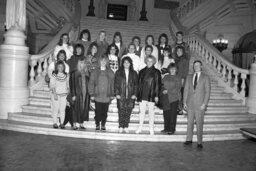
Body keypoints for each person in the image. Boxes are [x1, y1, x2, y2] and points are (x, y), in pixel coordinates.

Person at [183, 60, 211, 149]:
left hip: (200, 105)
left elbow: (207, 92)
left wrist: (205, 104)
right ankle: (189, 139)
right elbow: (186, 90)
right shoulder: (189, 77)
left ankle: (199, 142)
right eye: (195, 65)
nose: (196, 67)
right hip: (190, 104)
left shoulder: (205, 77)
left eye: (198, 65)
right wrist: (184, 102)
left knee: (199, 124)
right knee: (189, 123)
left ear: (201, 66)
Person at [136, 55, 161, 135]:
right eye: (148, 61)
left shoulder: (157, 72)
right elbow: (138, 84)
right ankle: (140, 127)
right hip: (142, 94)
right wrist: (137, 94)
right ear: (146, 61)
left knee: (151, 112)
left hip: (151, 95)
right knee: (141, 112)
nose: (149, 62)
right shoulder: (142, 71)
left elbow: (158, 84)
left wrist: (157, 95)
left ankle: (151, 128)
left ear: (153, 62)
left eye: (151, 61)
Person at [89, 55, 115, 131]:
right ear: (99, 61)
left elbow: (113, 84)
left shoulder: (110, 72)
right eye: (101, 60)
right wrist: (92, 94)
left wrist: (112, 94)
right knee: (98, 112)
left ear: (107, 62)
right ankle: (97, 124)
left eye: (105, 61)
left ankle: (103, 124)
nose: (103, 62)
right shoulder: (95, 71)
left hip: (106, 96)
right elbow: (91, 83)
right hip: (97, 95)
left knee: (104, 112)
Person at [115, 57, 138, 133]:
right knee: (121, 111)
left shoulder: (134, 73)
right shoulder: (118, 72)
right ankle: (121, 126)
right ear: (122, 63)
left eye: (128, 62)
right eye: (125, 62)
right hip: (121, 94)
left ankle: (126, 126)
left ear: (130, 63)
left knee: (128, 111)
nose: (126, 64)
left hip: (131, 95)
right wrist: (117, 93)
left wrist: (135, 94)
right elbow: (116, 84)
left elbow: (136, 85)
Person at [69, 59, 91, 130]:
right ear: (79, 64)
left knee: (83, 108)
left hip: (85, 93)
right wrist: (73, 94)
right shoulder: (74, 73)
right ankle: (74, 124)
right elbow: (71, 84)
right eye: (81, 63)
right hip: (77, 93)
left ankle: (81, 123)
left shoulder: (87, 73)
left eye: (84, 63)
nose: (83, 65)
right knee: (75, 109)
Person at [161, 63, 181, 135]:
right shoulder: (165, 76)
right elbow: (161, 85)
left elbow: (178, 88)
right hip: (165, 98)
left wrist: (168, 91)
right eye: (171, 68)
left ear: (176, 70)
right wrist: (162, 90)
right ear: (169, 69)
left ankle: (172, 129)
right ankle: (166, 128)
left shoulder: (178, 77)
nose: (172, 70)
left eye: (174, 69)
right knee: (166, 114)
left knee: (173, 115)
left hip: (174, 99)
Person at [49, 61, 69, 129]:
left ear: (64, 67)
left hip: (64, 95)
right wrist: (54, 94)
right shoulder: (54, 74)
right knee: (55, 109)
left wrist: (68, 91)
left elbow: (68, 84)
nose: (60, 68)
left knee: (62, 109)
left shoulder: (66, 75)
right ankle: (55, 123)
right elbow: (52, 84)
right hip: (56, 94)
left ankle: (62, 123)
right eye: (59, 66)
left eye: (62, 66)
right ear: (57, 67)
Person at [173, 46, 190, 115]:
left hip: (182, 80)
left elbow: (186, 71)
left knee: (181, 95)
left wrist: (183, 80)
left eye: (180, 51)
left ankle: (181, 109)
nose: (178, 52)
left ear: (183, 52)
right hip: (176, 80)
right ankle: (178, 108)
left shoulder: (185, 60)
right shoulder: (176, 60)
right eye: (177, 51)